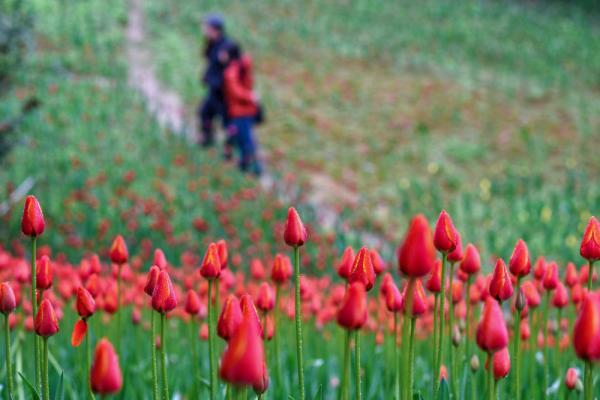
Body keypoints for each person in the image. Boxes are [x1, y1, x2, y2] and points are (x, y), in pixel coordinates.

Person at [222, 42, 263, 175]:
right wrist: (251, 97)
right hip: (247, 110)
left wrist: (249, 96)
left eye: (224, 53)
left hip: (239, 111)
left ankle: (252, 167)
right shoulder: (243, 65)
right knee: (235, 134)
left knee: (244, 139)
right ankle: (241, 161)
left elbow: (235, 92)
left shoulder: (231, 72)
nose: (221, 55)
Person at [198, 14, 230, 147]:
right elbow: (210, 63)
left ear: (215, 29)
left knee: (227, 121)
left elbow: (230, 69)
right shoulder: (212, 44)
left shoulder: (227, 46)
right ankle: (207, 139)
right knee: (205, 112)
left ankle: (234, 148)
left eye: (207, 27)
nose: (204, 30)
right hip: (214, 89)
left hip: (223, 91)